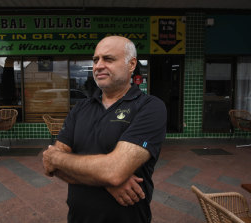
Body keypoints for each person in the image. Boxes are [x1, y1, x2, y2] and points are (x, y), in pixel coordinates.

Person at [43, 36, 167, 223]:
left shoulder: (150, 107)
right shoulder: (80, 109)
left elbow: (114, 171)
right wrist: (108, 183)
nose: (98, 65)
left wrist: (57, 157)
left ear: (131, 64)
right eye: (95, 60)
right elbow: (50, 167)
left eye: (108, 59)